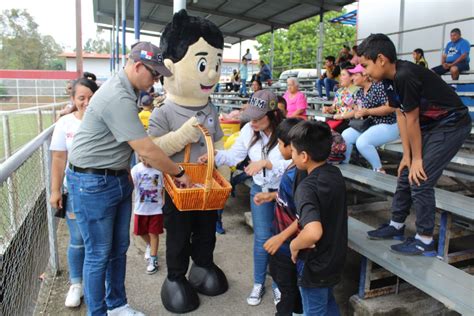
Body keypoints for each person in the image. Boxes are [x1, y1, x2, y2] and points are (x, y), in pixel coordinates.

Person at [66, 41, 190, 316]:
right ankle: (97, 312)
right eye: (154, 74)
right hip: (92, 183)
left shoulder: (128, 89)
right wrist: (179, 173)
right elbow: (146, 149)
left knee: (118, 248)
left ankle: (117, 304)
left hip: (115, 177)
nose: (155, 81)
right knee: (98, 253)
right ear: (137, 66)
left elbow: (138, 147)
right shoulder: (117, 96)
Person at [358, 34, 471, 255]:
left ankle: (425, 239)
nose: (364, 72)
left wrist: (418, 159)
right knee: (405, 171)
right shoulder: (388, 80)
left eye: (365, 65)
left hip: (452, 123)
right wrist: (408, 157)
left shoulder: (405, 75)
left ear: (380, 59)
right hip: (431, 124)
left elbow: (413, 119)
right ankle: (396, 226)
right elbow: (401, 115)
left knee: (421, 177)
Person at [148, 10, 229, 314]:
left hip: (206, 185)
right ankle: (175, 277)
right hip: (177, 186)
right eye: (203, 64)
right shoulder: (163, 112)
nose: (212, 74)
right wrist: (183, 135)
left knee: (206, 230)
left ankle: (204, 265)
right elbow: (154, 150)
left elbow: (218, 141)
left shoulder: (211, 107)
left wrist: (224, 173)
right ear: (170, 67)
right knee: (179, 234)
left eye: (215, 64)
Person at [200, 90, 288, 306]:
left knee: (282, 238)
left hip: (284, 191)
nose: (253, 122)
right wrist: (213, 155)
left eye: (258, 118)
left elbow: (295, 163)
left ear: (273, 114)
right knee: (261, 238)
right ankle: (258, 283)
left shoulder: (287, 131)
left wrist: (267, 164)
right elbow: (234, 156)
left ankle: (280, 285)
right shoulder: (249, 130)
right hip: (259, 189)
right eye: (251, 117)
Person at [289, 120, 347, 315]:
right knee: (328, 303)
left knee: (315, 310)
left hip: (315, 264)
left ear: (304, 156)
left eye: (293, 152)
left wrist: (294, 245)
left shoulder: (306, 187)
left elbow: (313, 232)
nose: (292, 155)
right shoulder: (335, 173)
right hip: (335, 257)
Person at [49, 78, 98, 308]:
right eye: (81, 98)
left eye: (91, 97)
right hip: (74, 192)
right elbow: (59, 158)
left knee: (98, 241)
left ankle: (95, 284)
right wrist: (55, 190)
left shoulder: (103, 121)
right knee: (77, 239)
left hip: (100, 191)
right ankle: (76, 284)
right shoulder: (65, 123)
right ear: (73, 99)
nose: (86, 102)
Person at [253, 118, 304, 316]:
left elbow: (304, 215)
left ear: (290, 146)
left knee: (288, 290)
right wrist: (270, 196)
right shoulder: (292, 168)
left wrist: (281, 238)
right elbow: (289, 198)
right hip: (284, 241)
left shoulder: (299, 175)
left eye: (280, 144)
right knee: (286, 285)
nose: (279, 149)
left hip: (289, 244)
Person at [341, 64, 399, 172]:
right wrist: (355, 112)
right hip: (370, 125)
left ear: (365, 75)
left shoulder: (379, 86)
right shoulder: (358, 92)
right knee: (345, 135)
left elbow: (391, 108)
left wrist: (367, 111)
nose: (352, 77)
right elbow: (357, 110)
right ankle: (344, 167)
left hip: (388, 124)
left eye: (355, 74)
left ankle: (379, 170)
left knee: (362, 142)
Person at [131, 157, 165, 275]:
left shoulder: (159, 170)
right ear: (140, 157)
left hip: (156, 209)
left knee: (154, 234)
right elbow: (131, 185)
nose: (147, 162)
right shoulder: (136, 169)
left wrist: (164, 201)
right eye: (143, 158)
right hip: (140, 209)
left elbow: (164, 187)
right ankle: (150, 245)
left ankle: (153, 260)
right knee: (139, 232)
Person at [322, 63, 359, 133]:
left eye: (343, 75)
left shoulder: (357, 91)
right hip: (337, 120)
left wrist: (341, 116)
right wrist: (328, 109)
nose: (340, 77)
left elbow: (358, 110)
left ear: (352, 77)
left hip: (350, 122)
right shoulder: (339, 91)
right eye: (340, 75)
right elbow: (334, 108)